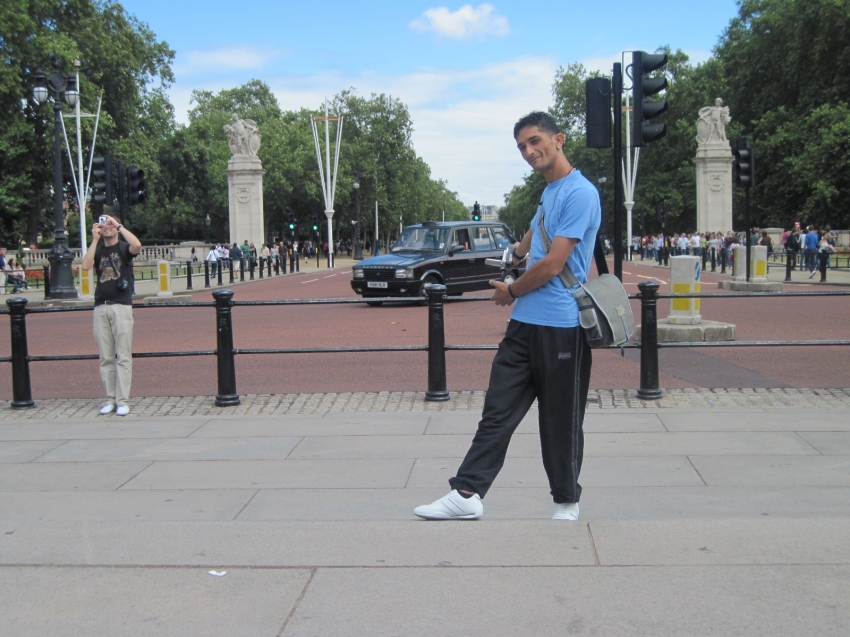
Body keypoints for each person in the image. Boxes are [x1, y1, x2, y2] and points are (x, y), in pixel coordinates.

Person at [414, 111, 600, 522]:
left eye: (534, 141)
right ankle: (466, 493)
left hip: (562, 327)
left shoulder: (580, 193)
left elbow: (552, 264)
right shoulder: (549, 193)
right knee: (497, 410)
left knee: (560, 421)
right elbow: (534, 235)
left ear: (558, 139)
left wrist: (511, 290)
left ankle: (566, 502)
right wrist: (514, 255)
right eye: (521, 147)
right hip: (525, 325)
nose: (528, 151)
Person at [81, 215, 142, 416]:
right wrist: (95, 239)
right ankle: (110, 399)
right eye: (104, 224)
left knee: (123, 356)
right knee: (106, 357)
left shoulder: (124, 248)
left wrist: (119, 225)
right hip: (101, 306)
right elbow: (85, 266)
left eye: (110, 224)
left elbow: (137, 245)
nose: (107, 227)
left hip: (121, 306)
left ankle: (122, 400)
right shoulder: (98, 250)